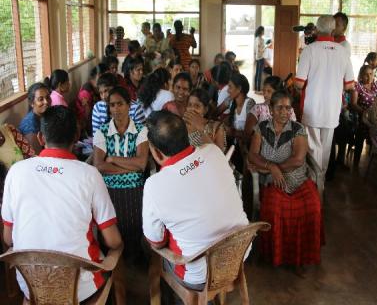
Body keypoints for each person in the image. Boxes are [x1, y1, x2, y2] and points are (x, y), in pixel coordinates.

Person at [2, 106, 123, 303]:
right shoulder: (89, 175)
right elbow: (113, 241)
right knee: (115, 250)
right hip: (81, 290)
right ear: (76, 137)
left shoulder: (16, 172)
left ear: (41, 138)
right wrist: (120, 246)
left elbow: (8, 238)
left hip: (31, 287)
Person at [142, 111, 248, 289]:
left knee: (148, 248)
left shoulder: (154, 185)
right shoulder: (214, 152)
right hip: (239, 255)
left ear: (155, 151)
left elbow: (156, 241)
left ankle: (179, 298)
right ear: (187, 136)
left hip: (199, 275)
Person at [248, 90, 323, 267]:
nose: (284, 111)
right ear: (271, 109)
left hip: (297, 179)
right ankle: (277, 256)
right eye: (279, 107)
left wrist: (272, 168)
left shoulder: (298, 129)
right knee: (275, 209)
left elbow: (298, 159)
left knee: (313, 207)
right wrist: (271, 168)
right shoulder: (261, 128)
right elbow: (252, 154)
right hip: (273, 182)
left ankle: (301, 257)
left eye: (287, 108)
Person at [295, 15, 354, 188]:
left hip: (312, 108)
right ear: (333, 29)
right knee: (326, 150)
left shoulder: (310, 50)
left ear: (317, 29)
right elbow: (349, 84)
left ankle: (314, 186)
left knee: (313, 149)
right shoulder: (343, 51)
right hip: (332, 109)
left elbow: (299, 83)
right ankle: (320, 185)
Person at [93, 87, 149, 259]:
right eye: (112, 105)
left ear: (129, 105)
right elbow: (99, 165)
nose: (116, 109)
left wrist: (112, 158)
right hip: (109, 190)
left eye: (120, 104)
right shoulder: (102, 131)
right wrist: (128, 166)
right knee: (113, 226)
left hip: (134, 189)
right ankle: (115, 262)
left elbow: (141, 164)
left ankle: (133, 258)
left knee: (135, 227)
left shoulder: (141, 130)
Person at [244, 75, 296, 141]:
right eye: (264, 90)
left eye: (269, 91)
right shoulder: (258, 109)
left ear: (278, 92)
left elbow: (293, 132)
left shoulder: (289, 111)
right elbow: (247, 133)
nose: (265, 94)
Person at [350, 65, 377, 165]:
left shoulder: (376, 86)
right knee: (359, 140)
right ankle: (356, 163)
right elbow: (353, 104)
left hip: (373, 118)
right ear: (361, 76)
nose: (369, 77)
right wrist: (365, 113)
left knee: (376, 138)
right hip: (361, 117)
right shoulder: (358, 86)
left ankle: (371, 163)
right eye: (366, 75)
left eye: (371, 74)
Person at [75, 64, 107, 136]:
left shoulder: (97, 88)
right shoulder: (86, 93)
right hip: (86, 128)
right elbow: (87, 116)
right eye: (102, 77)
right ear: (97, 76)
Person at [19, 82, 51, 154]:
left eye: (48, 97)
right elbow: (36, 157)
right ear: (32, 103)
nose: (46, 102)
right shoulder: (30, 127)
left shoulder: (45, 115)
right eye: (40, 99)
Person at [254, 26, 266, 92]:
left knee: (257, 74)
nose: (264, 32)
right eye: (263, 31)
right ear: (261, 31)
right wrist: (265, 48)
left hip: (257, 57)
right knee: (259, 74)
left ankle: (256, 88)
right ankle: (258, 89)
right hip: (260, 58)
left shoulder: (256, 38)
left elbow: (256, 49)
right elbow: (259, 49)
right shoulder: (260, 39)